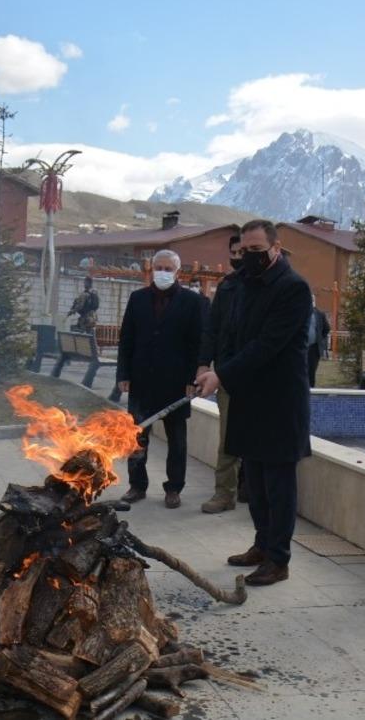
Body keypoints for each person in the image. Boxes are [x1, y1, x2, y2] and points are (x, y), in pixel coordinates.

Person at [195, 220, 311, 586]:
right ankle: (261, 545)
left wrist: (223, 375)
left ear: (276, 249)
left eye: (257, 251)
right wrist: (210, 365)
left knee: (278, 485)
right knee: (256, 483)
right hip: (248, 398)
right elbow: (230, 333)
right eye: (244, 252)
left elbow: (266, 345)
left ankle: (279, 559)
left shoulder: (293, 289)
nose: (249, 258)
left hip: (279, 402)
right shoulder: (242, 284)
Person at [116, 250, 202, 508]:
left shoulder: (192, 302)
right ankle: (137, 485)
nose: (162, 272)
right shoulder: (138, 298)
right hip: (142, 381)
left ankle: (174, 488)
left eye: (168, 268)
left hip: (176, 383)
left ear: (178, 272)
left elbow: (196, 344)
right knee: (137, 438)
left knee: (177, 441)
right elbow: (126, 339)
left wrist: (192, 378)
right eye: (159, 267)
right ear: (152, 269)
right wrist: (123, 374)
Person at [198, 234, 245, 513]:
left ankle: (250, 490)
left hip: (258, 376)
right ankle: (224, 492)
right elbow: (212, 329)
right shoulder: (227, 287)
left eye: (247, 251)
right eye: (235, 252)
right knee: (228, 438)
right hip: (227, 373)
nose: (240, 257)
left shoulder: (267, 288)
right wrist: (204, 364)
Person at [306, 296, 330, 387]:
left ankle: (311, 390)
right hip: (301, 348)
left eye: (312, 300)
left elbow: (326, 328)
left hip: (314, 348)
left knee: (311, 371)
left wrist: (320, 339)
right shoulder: (300, 313)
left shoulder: (319, 314)